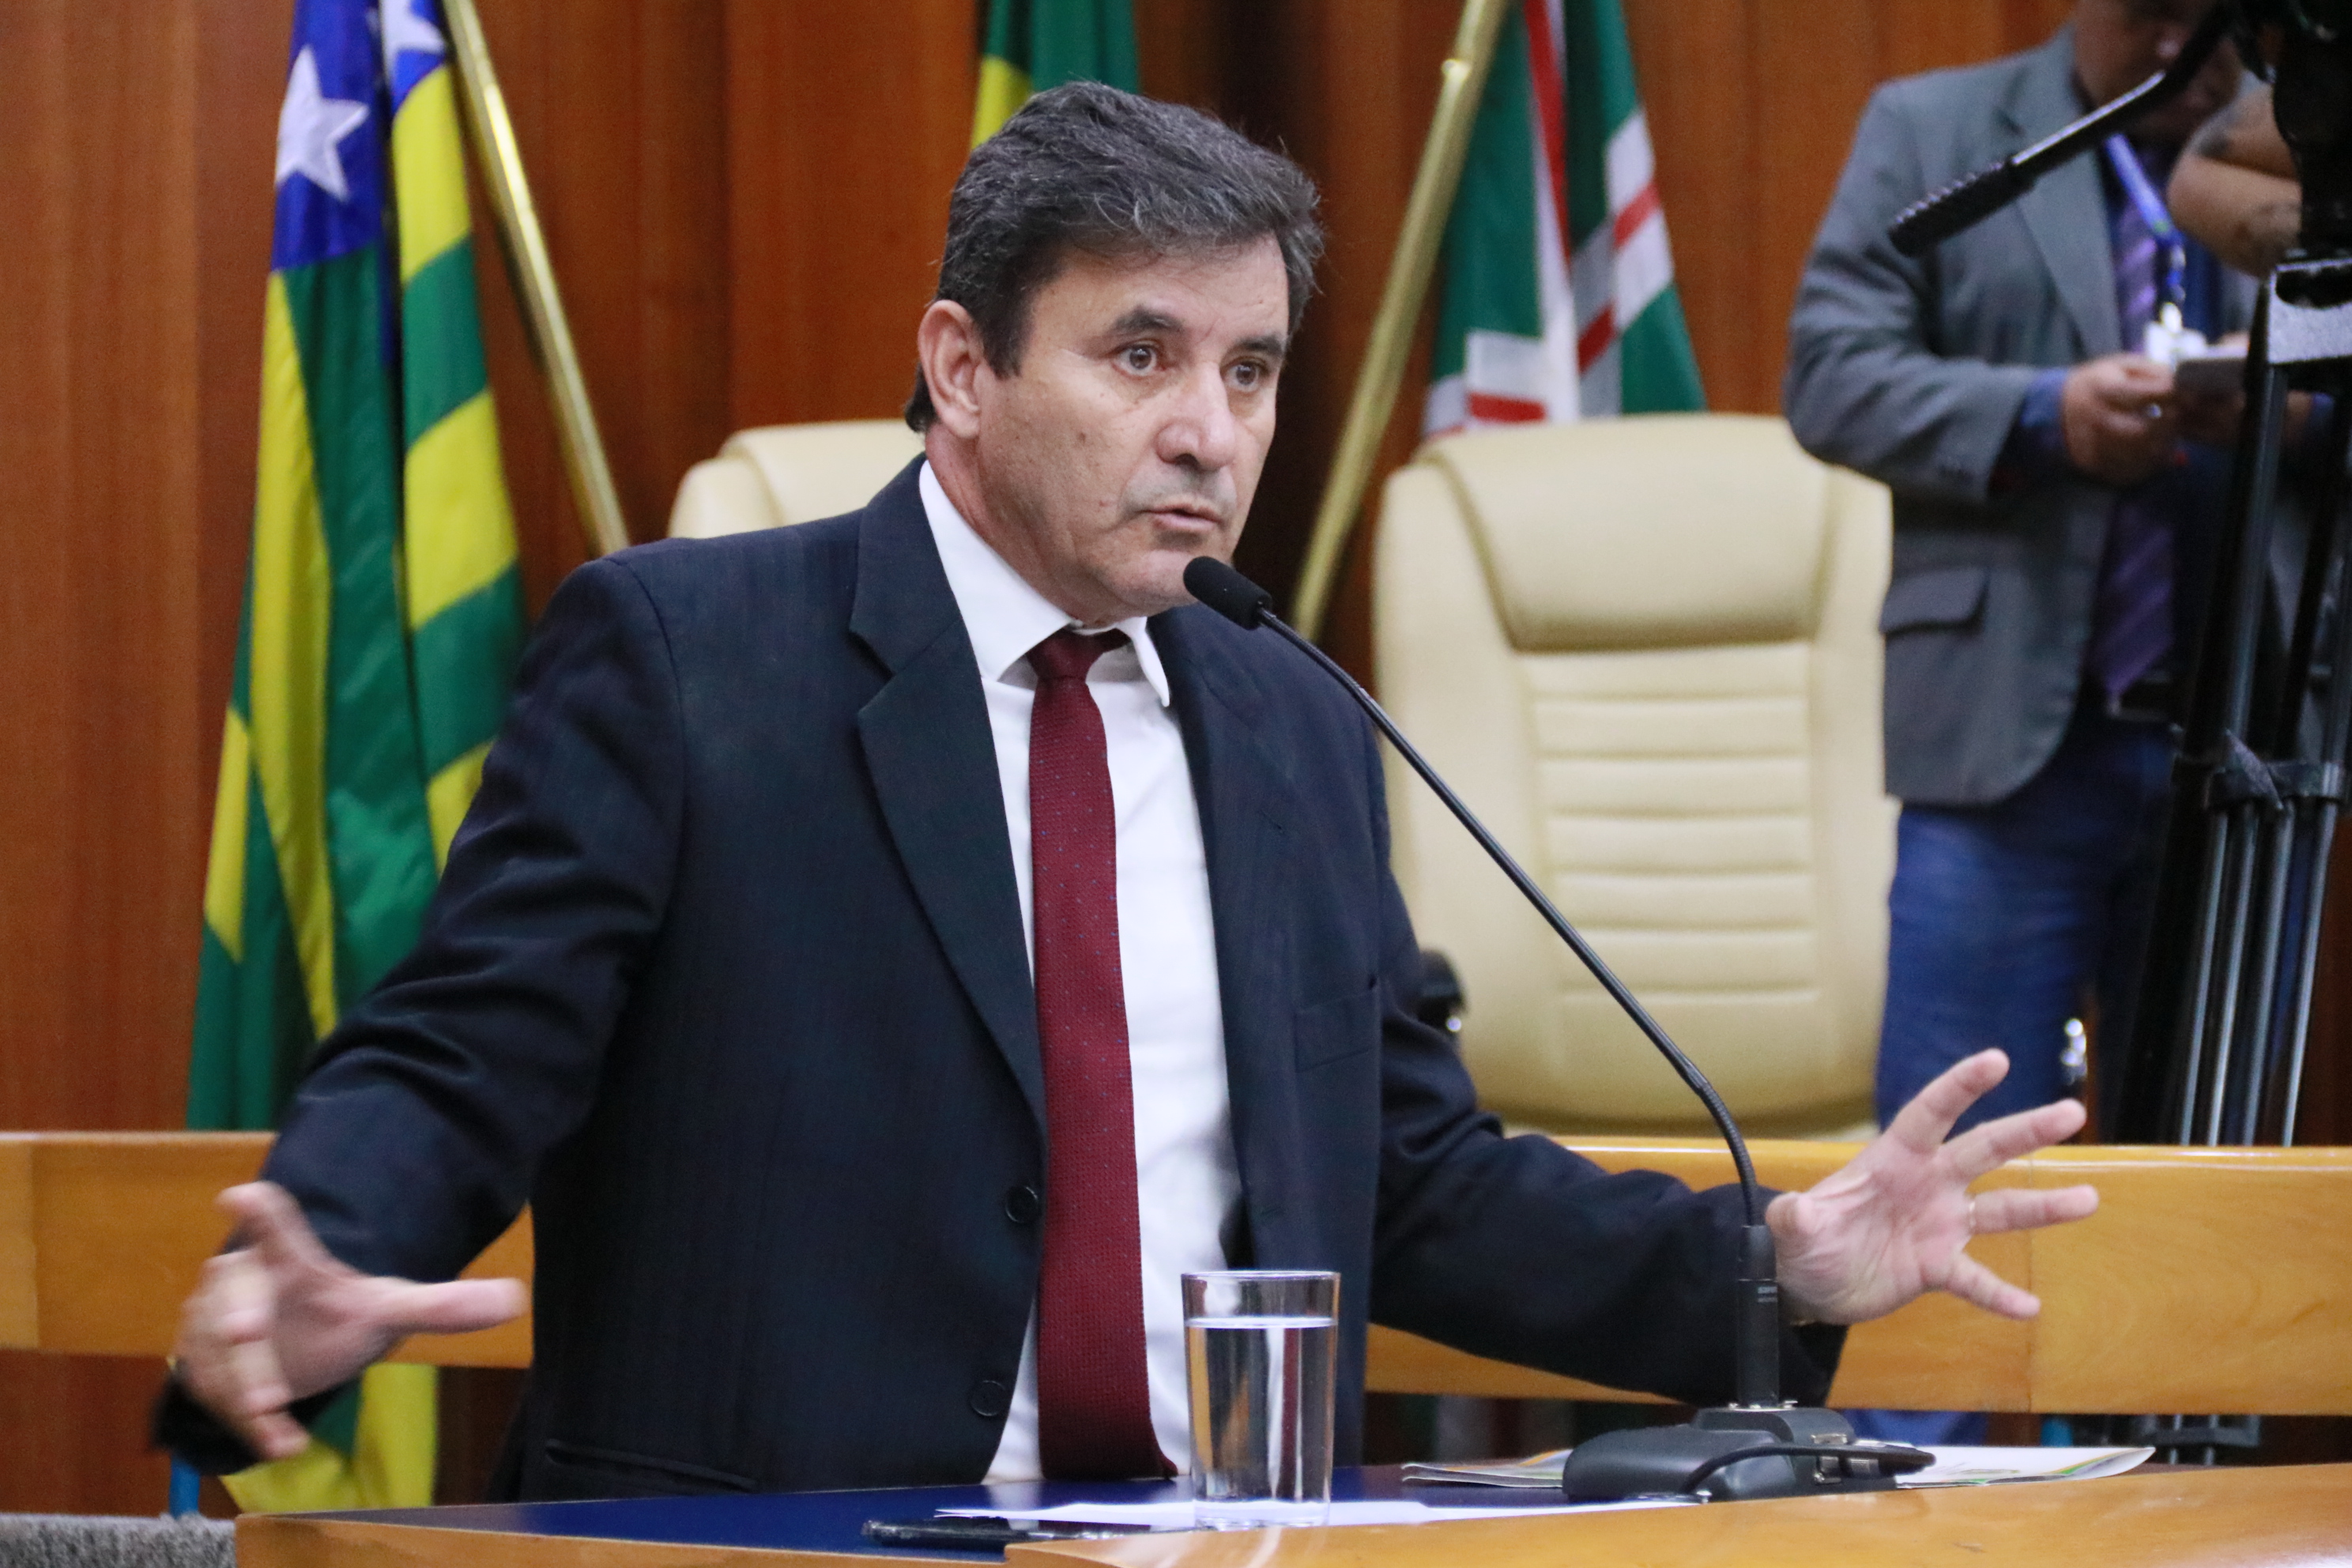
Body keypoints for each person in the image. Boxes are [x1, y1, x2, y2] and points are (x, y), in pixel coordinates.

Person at [163, 83, 2096, 1501]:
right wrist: (318, 1239)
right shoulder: (687, 656)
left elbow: (1405, 1174)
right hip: (779, 1534)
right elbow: (466, 1047)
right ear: (962, 366)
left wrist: (1768, 1262)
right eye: (1142, 354)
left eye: (1251, 370)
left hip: (1218, 1533)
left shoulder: (1287, 712)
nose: (1209, 431)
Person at [1784, 0, 2247, 1444]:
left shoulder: (2304, 156)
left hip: (2242, 752)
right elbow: (1831, 375)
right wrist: (2046, 415)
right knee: (1946, 1143)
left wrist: (2291, 415)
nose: (2186, 50)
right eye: (2158, 13)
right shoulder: (1936, 130)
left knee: (2203, 1182)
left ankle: (2166, 1491)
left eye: (2218, 19)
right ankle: (1904, 1485)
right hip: (2004, 748)